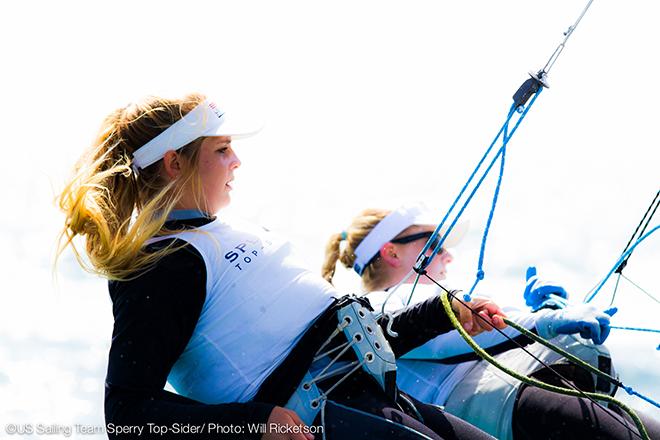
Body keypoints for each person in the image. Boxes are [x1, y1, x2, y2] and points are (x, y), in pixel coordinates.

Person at [57, 93, 509, 440]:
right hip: (329, 422)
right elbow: (128, 415)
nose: (237, 160)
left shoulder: (227, 233)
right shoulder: (166, 263)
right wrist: (254, 424)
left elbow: (351, 336)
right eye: (222, 150)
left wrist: (445, 314)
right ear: (175, 163)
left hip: (374, 404)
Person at [322, 205, 660, 440]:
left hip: (530, 395)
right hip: (513, 405)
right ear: (391, 252)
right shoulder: (380, 304)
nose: (448, 255)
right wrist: (546, 321)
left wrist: (552, 312)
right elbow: (453, 339)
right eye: (435, 243)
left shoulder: (429, 298)